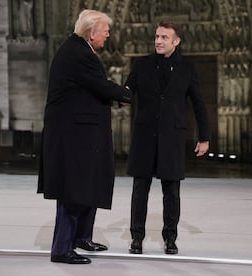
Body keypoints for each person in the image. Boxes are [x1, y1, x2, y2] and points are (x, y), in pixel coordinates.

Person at [37, 9, 132, 264]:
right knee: (73, 188)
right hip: (72, 136)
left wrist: (115, 97)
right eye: (105, 31)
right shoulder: (79, 54)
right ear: (92, 33)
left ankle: (81, 237)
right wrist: (126, 94)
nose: (108, 34)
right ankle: (61, 249)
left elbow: (87, 90)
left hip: (82, 132)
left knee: (88, 183)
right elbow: (100, 86)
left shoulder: (80, 50)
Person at [124, 21, 210, 255]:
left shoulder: (187, 68)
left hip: (172, 137)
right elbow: (128, 90)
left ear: (176, 41)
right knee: (140, 190)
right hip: (145, 136)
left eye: (164, 37)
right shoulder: (141, 64)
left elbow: (199, 104)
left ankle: (170, 238)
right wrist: (118, 95)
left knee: (171, 191)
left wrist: (204, 137)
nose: (159, 41)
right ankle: (136, 238)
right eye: (157, 36)